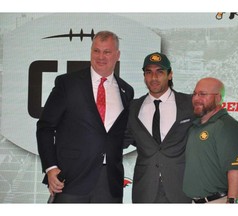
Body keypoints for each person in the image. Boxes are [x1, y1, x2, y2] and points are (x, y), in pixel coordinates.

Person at [36, 31, 134, 203]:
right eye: (96, 51)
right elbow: (45, 127)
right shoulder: (67, 83)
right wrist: (51, 168)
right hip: (70, 180)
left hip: (110, 184)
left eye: (107, 52)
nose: (101, 57)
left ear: (117, 55)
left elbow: (120, 134)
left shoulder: (126, 90)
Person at [124, 52, 195, 203]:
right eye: (148, 72)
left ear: (170, 75)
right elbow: (119, 140)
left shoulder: (190, 104)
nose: (154, 78)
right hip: (145, 190)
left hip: (181, 189)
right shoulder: (133, 108)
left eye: (160, 72)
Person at [183, 77, 238, 204]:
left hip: (220, 201)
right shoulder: (194, 127)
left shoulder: (227, 125)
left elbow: (236, 168)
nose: (196, 98)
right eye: (195, 94)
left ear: (218, 98)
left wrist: (232, 201)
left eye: (203, 94)